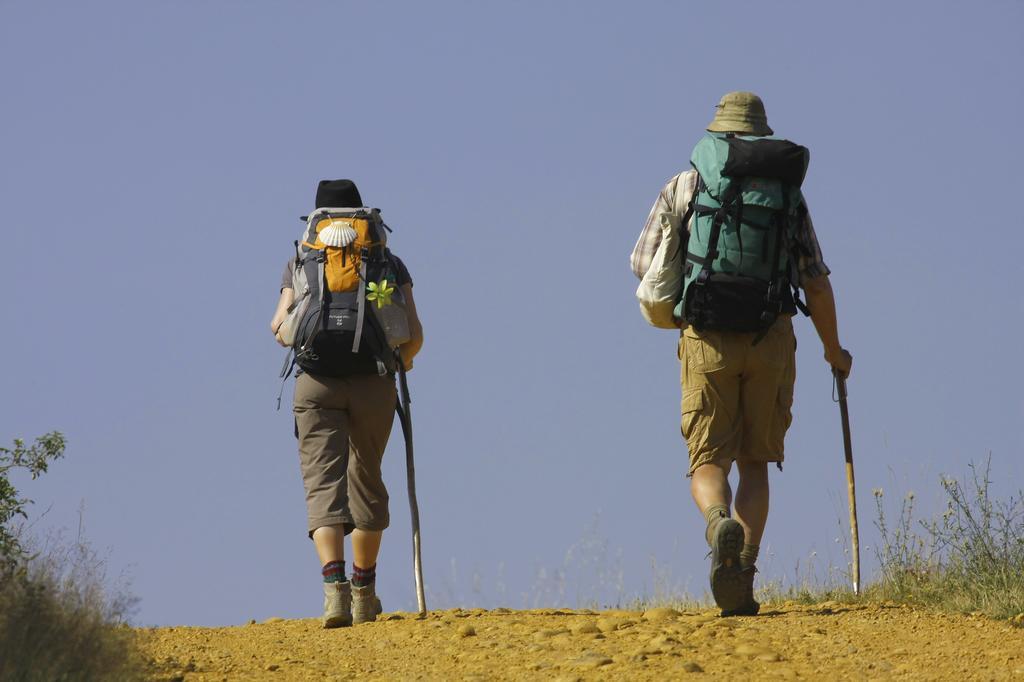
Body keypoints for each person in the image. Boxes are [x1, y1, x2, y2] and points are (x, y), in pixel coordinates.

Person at [630, 92, 852, 615]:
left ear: (718, 132)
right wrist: (834, 350)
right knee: (755, 464)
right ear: (761, 134)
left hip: (706, 338)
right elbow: (815, 283)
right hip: (771, 338)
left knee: (708, 459)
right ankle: (744, 572)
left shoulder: (685, 184)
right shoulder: (787, 196)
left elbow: (642, 263)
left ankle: (717, 526)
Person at [271, 179, 424, 628]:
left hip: (315, 383)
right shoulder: (386, 260)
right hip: (374, 383)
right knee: (366, 482)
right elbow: (413, 334)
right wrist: (401, 365)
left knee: (323, 485)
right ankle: (364, 591)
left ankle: (333, 593)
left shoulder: (302, 260)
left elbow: (279, 327)